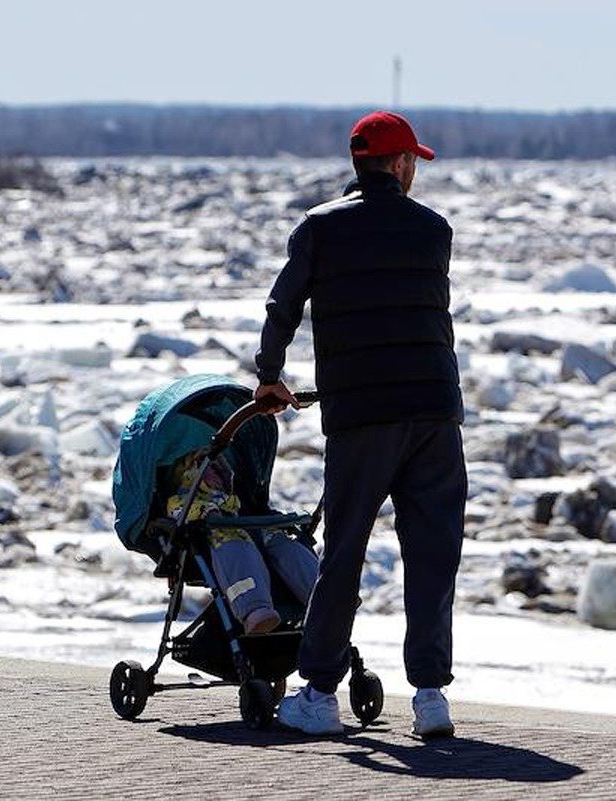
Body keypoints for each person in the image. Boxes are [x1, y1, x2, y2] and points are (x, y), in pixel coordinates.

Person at [254, 110, 467, 737]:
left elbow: (283, 305)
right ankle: (430, 698)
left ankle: (319, 695)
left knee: (344, 553)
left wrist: (270, 374)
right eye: (413, 162)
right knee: (432, 554)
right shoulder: (434, 230)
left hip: (363, 416)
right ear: (399, 165)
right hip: (433, 412)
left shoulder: (319, 229)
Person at [165, 450, 319, 634]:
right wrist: (207, 512)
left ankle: (324, 595)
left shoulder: (235, 501)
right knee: (238, 554)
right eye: (207, 470)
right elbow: (181, 512)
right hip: (220, 543)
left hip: (253, 533)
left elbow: (256, 510)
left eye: (218, 470)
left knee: (287, 547)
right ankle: (255, 609)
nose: (215, 474)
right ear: (190, 476)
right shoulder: (182, 501)